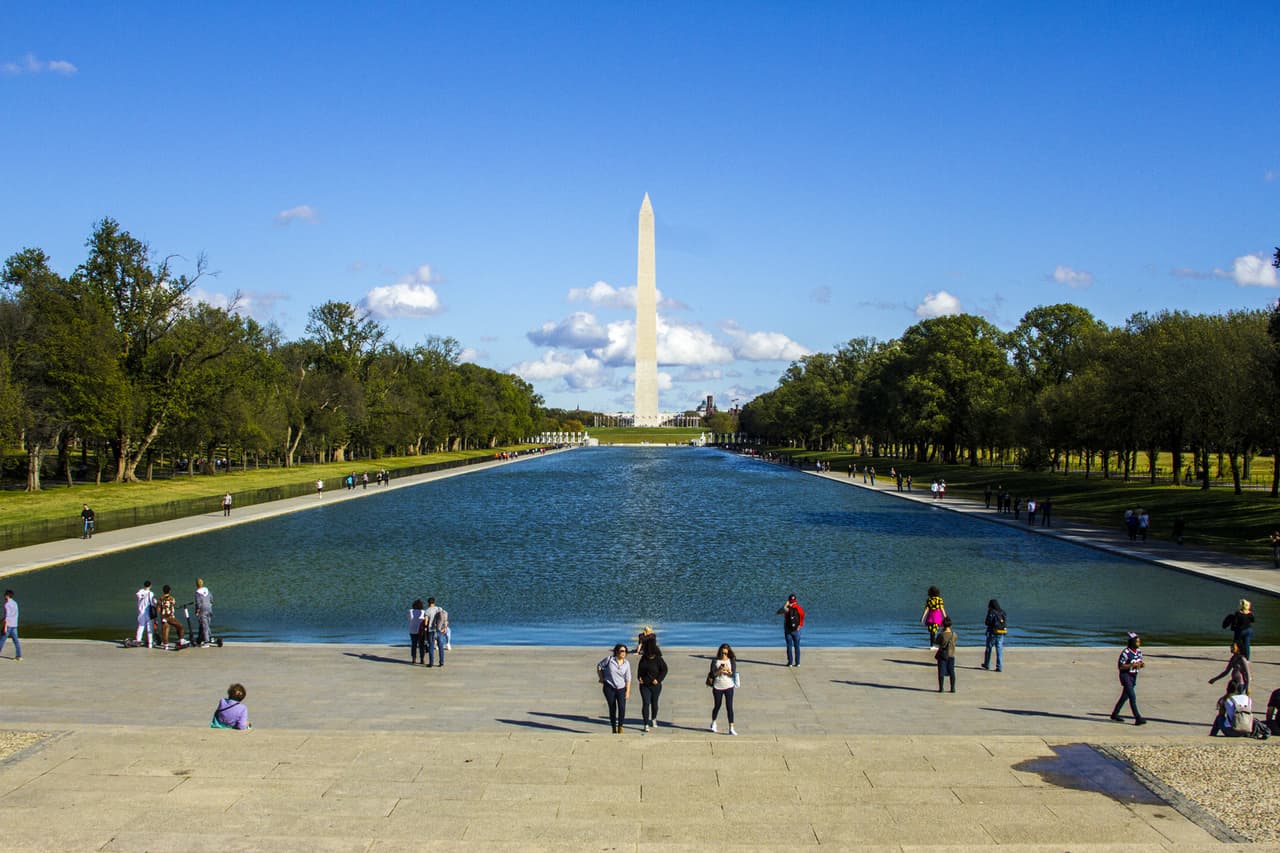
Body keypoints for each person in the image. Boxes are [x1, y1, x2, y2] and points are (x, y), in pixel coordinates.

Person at [1110, 632, 1146, 725]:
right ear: (1132, 642)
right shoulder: (1125, 653)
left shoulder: (1139, 652)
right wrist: (1131, 665)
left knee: (1124, 697)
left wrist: (1141, 665)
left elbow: (1141, 662)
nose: (1139, 643)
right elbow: (1120, 666)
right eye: (1137, 642)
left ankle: (1115, 714)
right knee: (1132, 697)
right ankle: (1137, 717)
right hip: (1126, 676)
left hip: (1134, 676)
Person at [596, 644, 631, 733]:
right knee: (612, 707)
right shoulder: (609, 660)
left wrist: (627, 691)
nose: (623, 653)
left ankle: (620, 726)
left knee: (622, 707)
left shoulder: (626, 663)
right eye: (621, 651)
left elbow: (628, 678)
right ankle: (613, 727)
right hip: (609, 687)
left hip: (621, 688)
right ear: (617, 652)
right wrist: (601, 677)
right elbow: (599, 666)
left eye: (625, 651)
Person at [636, 640, 668, 731]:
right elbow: (639, 670)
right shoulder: (643, 658)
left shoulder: (658, 659)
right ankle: (645, 723)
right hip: (644, 685)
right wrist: (639, 678)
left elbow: (664, 670)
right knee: (646, 703)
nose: (649, 655)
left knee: (654, 703)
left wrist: (658, 680)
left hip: (655, 685)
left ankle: (654, 718)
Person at [707, 643, 737, 735]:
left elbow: (733, 674)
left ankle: (731, 727)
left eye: (726, 653)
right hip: (718, 686)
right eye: (723, 653)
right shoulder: (715, 661)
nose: (724, 655)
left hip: (729, 686)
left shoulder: (731, 661)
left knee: (729, 707)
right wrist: (719, 670)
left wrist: (728, 671)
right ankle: (713, 722)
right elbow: (712, 674)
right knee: (717, 705)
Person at [777, 594, 805, 667]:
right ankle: (798, 663)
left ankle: (790, 663)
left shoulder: (787, 608)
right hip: (797, 630)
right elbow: (802, 617)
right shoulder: (799, 608)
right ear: (796, 600)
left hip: (788, 630)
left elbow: (778, 612)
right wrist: (800, 625)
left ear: (789, 601)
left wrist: (785, 605)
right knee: (797, 646)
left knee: (789, 646)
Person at [982, 598, 1007, 672]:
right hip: (1001, 633)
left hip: (992, 633)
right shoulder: (1002, 612)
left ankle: (987, 664)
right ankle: (999, 666)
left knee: (988, 648)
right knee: (999, 649)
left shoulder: (991, 612)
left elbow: (987, 622)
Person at [935, 617, 957, 692]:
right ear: (951, 625)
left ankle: (941, 688)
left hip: (942, 655)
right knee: (952, 671)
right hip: (951, 655)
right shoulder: (954, 634)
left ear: (943, 625)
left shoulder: (941, 635)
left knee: (941, 672)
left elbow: (936, 642)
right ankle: (952, 688)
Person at [0, 589, 21, 661]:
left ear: (7, 596)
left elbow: (7, 616)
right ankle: (19, 656)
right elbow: (13, 614)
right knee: (16, 641)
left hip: (8, 625)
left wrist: (5, 626)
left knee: (2, 640)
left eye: (5, 595)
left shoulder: (6, 604)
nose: (4, 596)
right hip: (14, 624)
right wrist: (1, 621)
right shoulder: (15, 603)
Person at [135, 580, 156, 648]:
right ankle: (150, 643)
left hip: (141, 613)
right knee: (150, 627)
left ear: (144, 585)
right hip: (148, 613)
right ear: (150, 586)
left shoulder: (140, 592)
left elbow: (138, 595)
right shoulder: (151, 593)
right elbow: (152, 603)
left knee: (141, 626)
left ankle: (138, 640)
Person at [195, 578, 213, 646]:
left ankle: (206, 641)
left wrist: (197, 611)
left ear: (197, 584)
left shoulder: (197, 593)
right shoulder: (207, 590)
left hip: (203, 610)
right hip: (209, 608)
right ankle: (210, 637)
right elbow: (211, 599)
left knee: (204, 625)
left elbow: (198, 603)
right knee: (207, 624)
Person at [408, 599, 427, 664]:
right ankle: (422, 659)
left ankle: (414, 659)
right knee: (421, 645)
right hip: (421, 631)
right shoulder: (423, 612)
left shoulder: (410, 611)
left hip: (412, 630)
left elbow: (410, 619)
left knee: (414, 645)